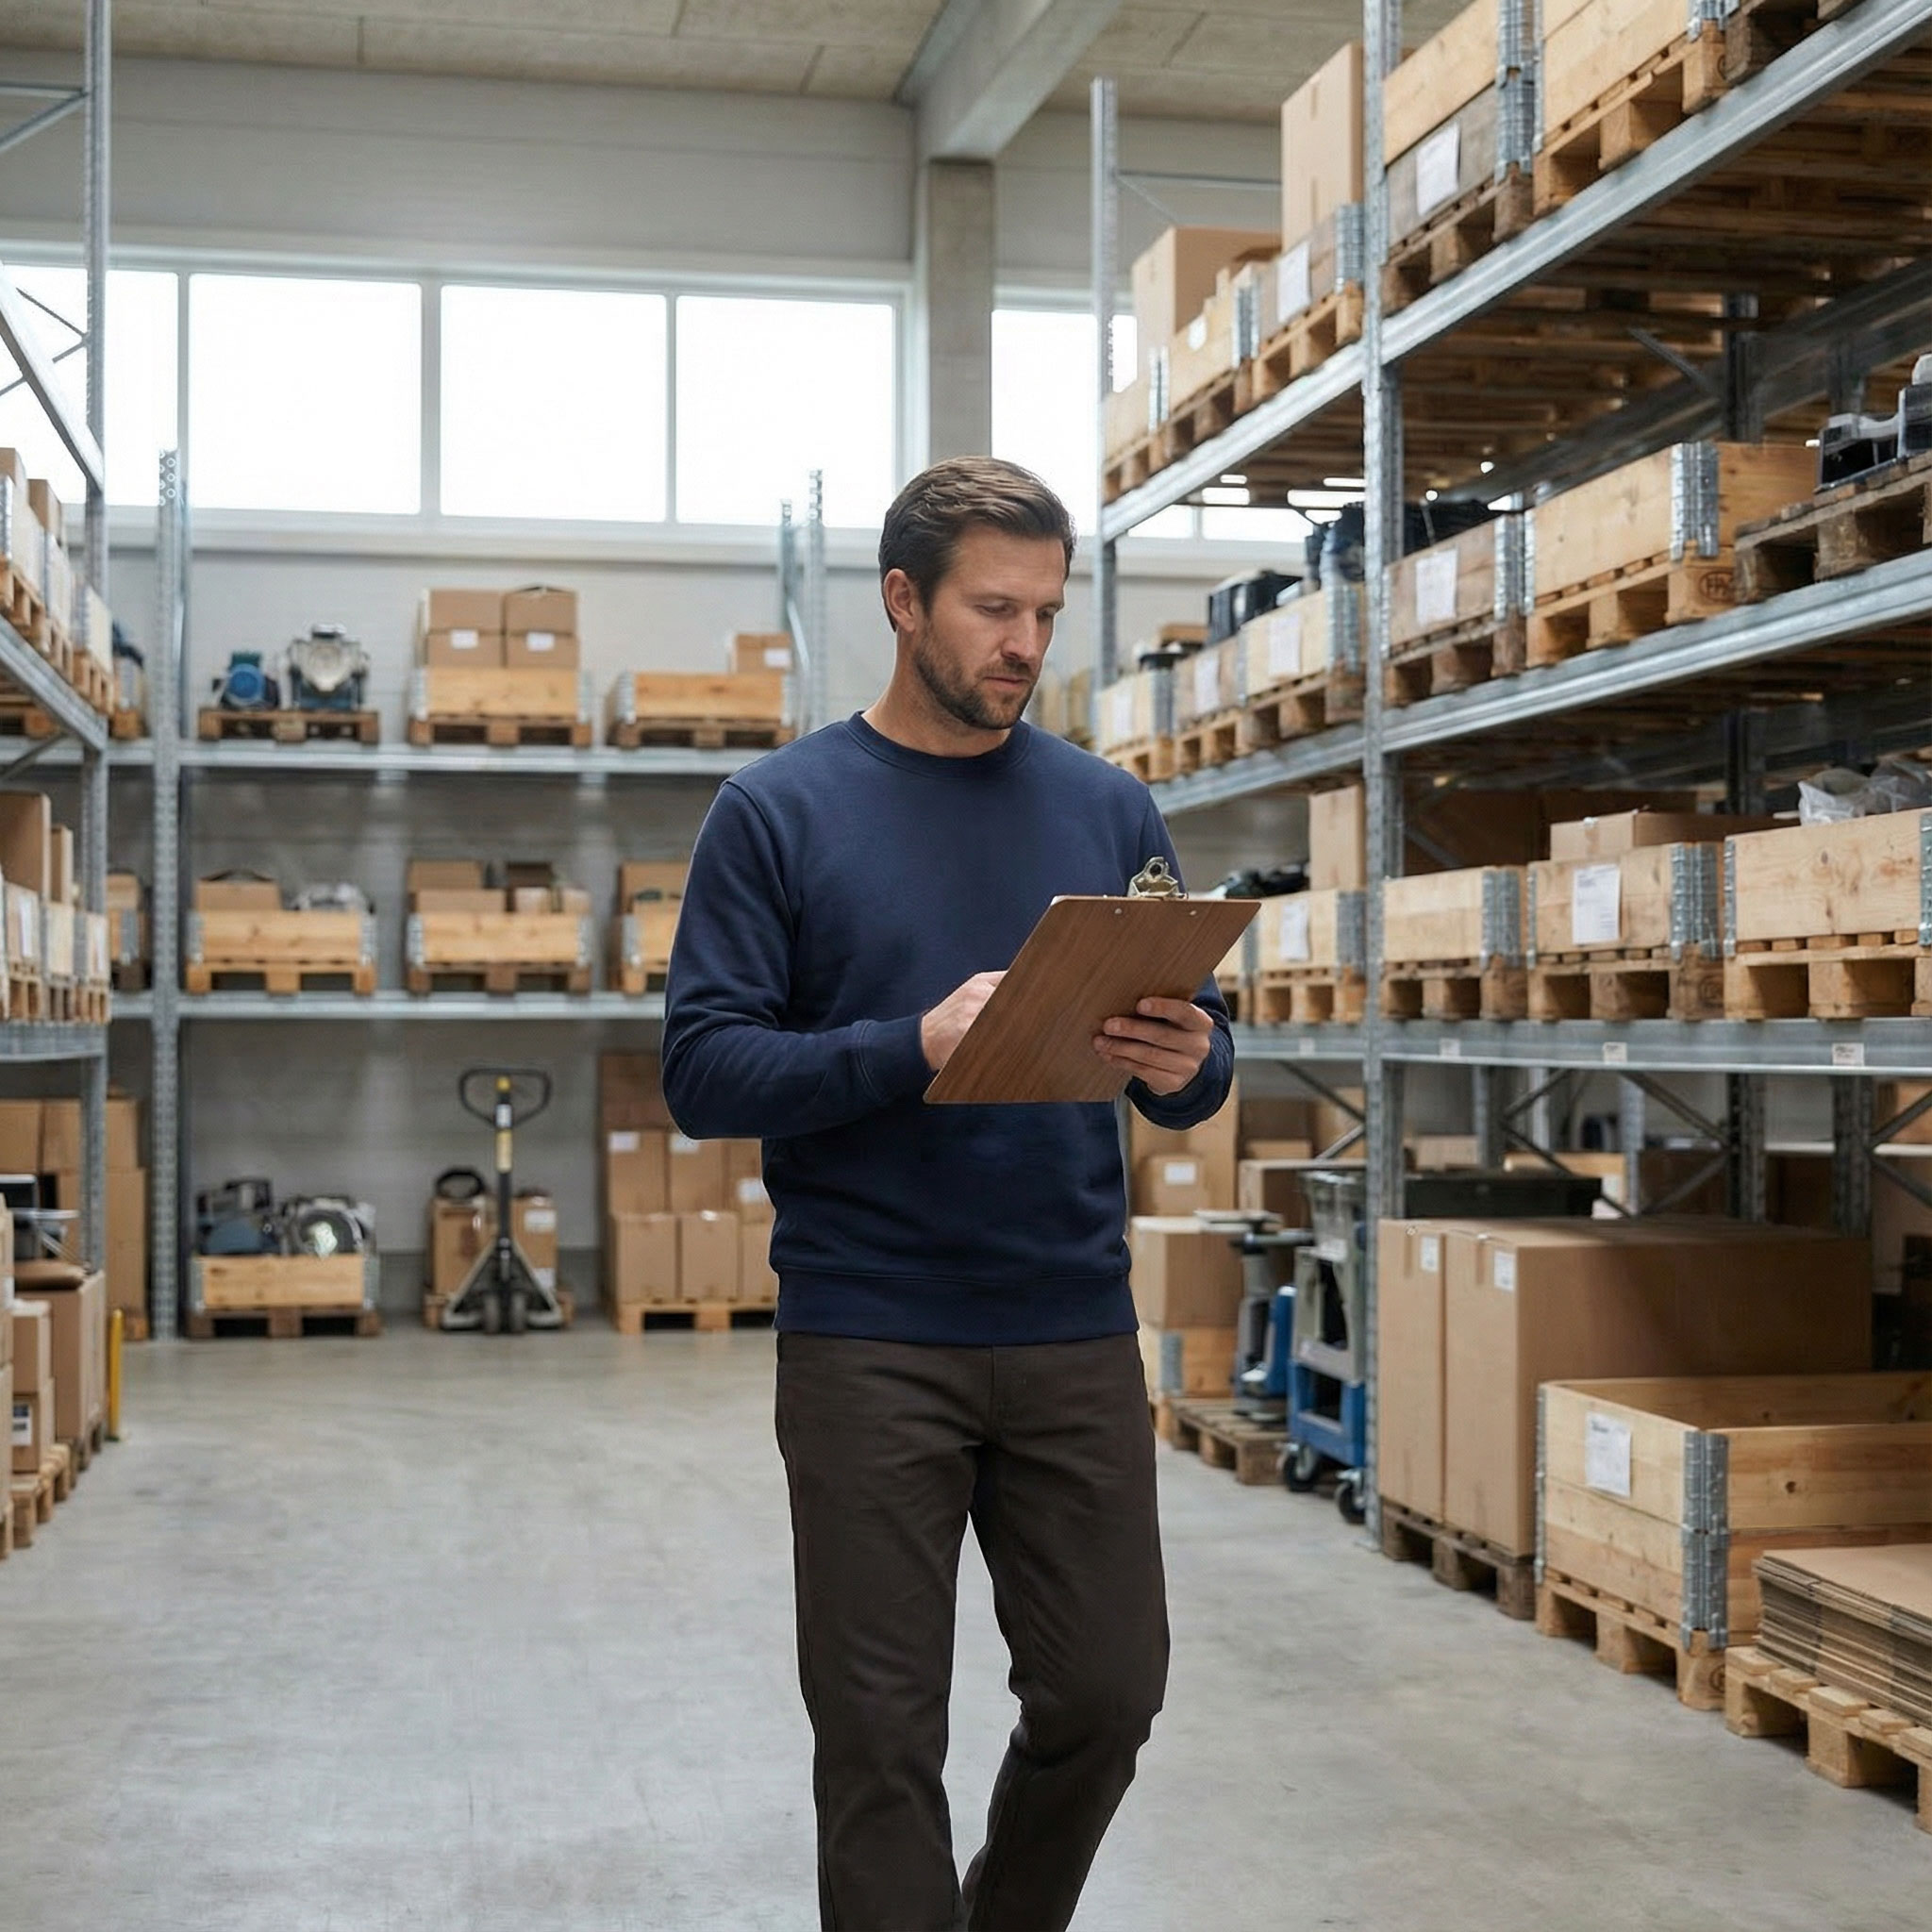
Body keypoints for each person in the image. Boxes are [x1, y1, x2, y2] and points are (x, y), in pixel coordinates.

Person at [661, 456, 1236, 1932]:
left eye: (1046, 612)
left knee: (1108, 1696)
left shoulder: (1110, 811)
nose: (1026, 645)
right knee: (877, 1742)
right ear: (905, 601)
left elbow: (1196, 1068)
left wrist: (1186, 1062)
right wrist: (907, 1045)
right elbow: (709, 1072)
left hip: (1068, 1322)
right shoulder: (776, 811)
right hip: (871, 1335)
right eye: (995, 609)